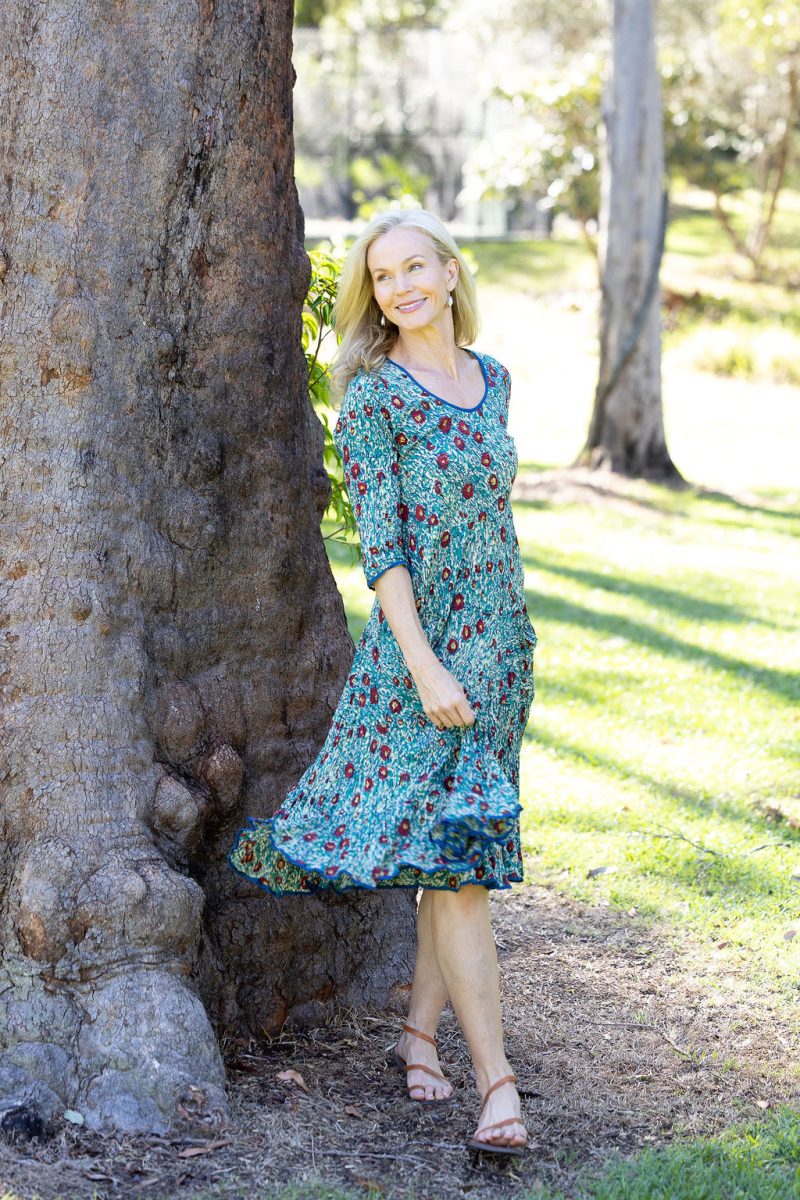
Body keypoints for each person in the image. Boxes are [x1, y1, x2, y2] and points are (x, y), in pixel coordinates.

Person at [227, 208, 537, 1157]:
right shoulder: (373, 398)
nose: (400, 287)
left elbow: (494, 523)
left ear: (449, 272)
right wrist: (426, 665)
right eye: (382, 276)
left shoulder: (497, 383)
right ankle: (500, 1088)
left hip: (502, 649)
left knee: (457, 860)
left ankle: (415, 1033)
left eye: (414, 268)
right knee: (461, 869)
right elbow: (386, 551)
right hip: (423, 657)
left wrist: (499, 649)